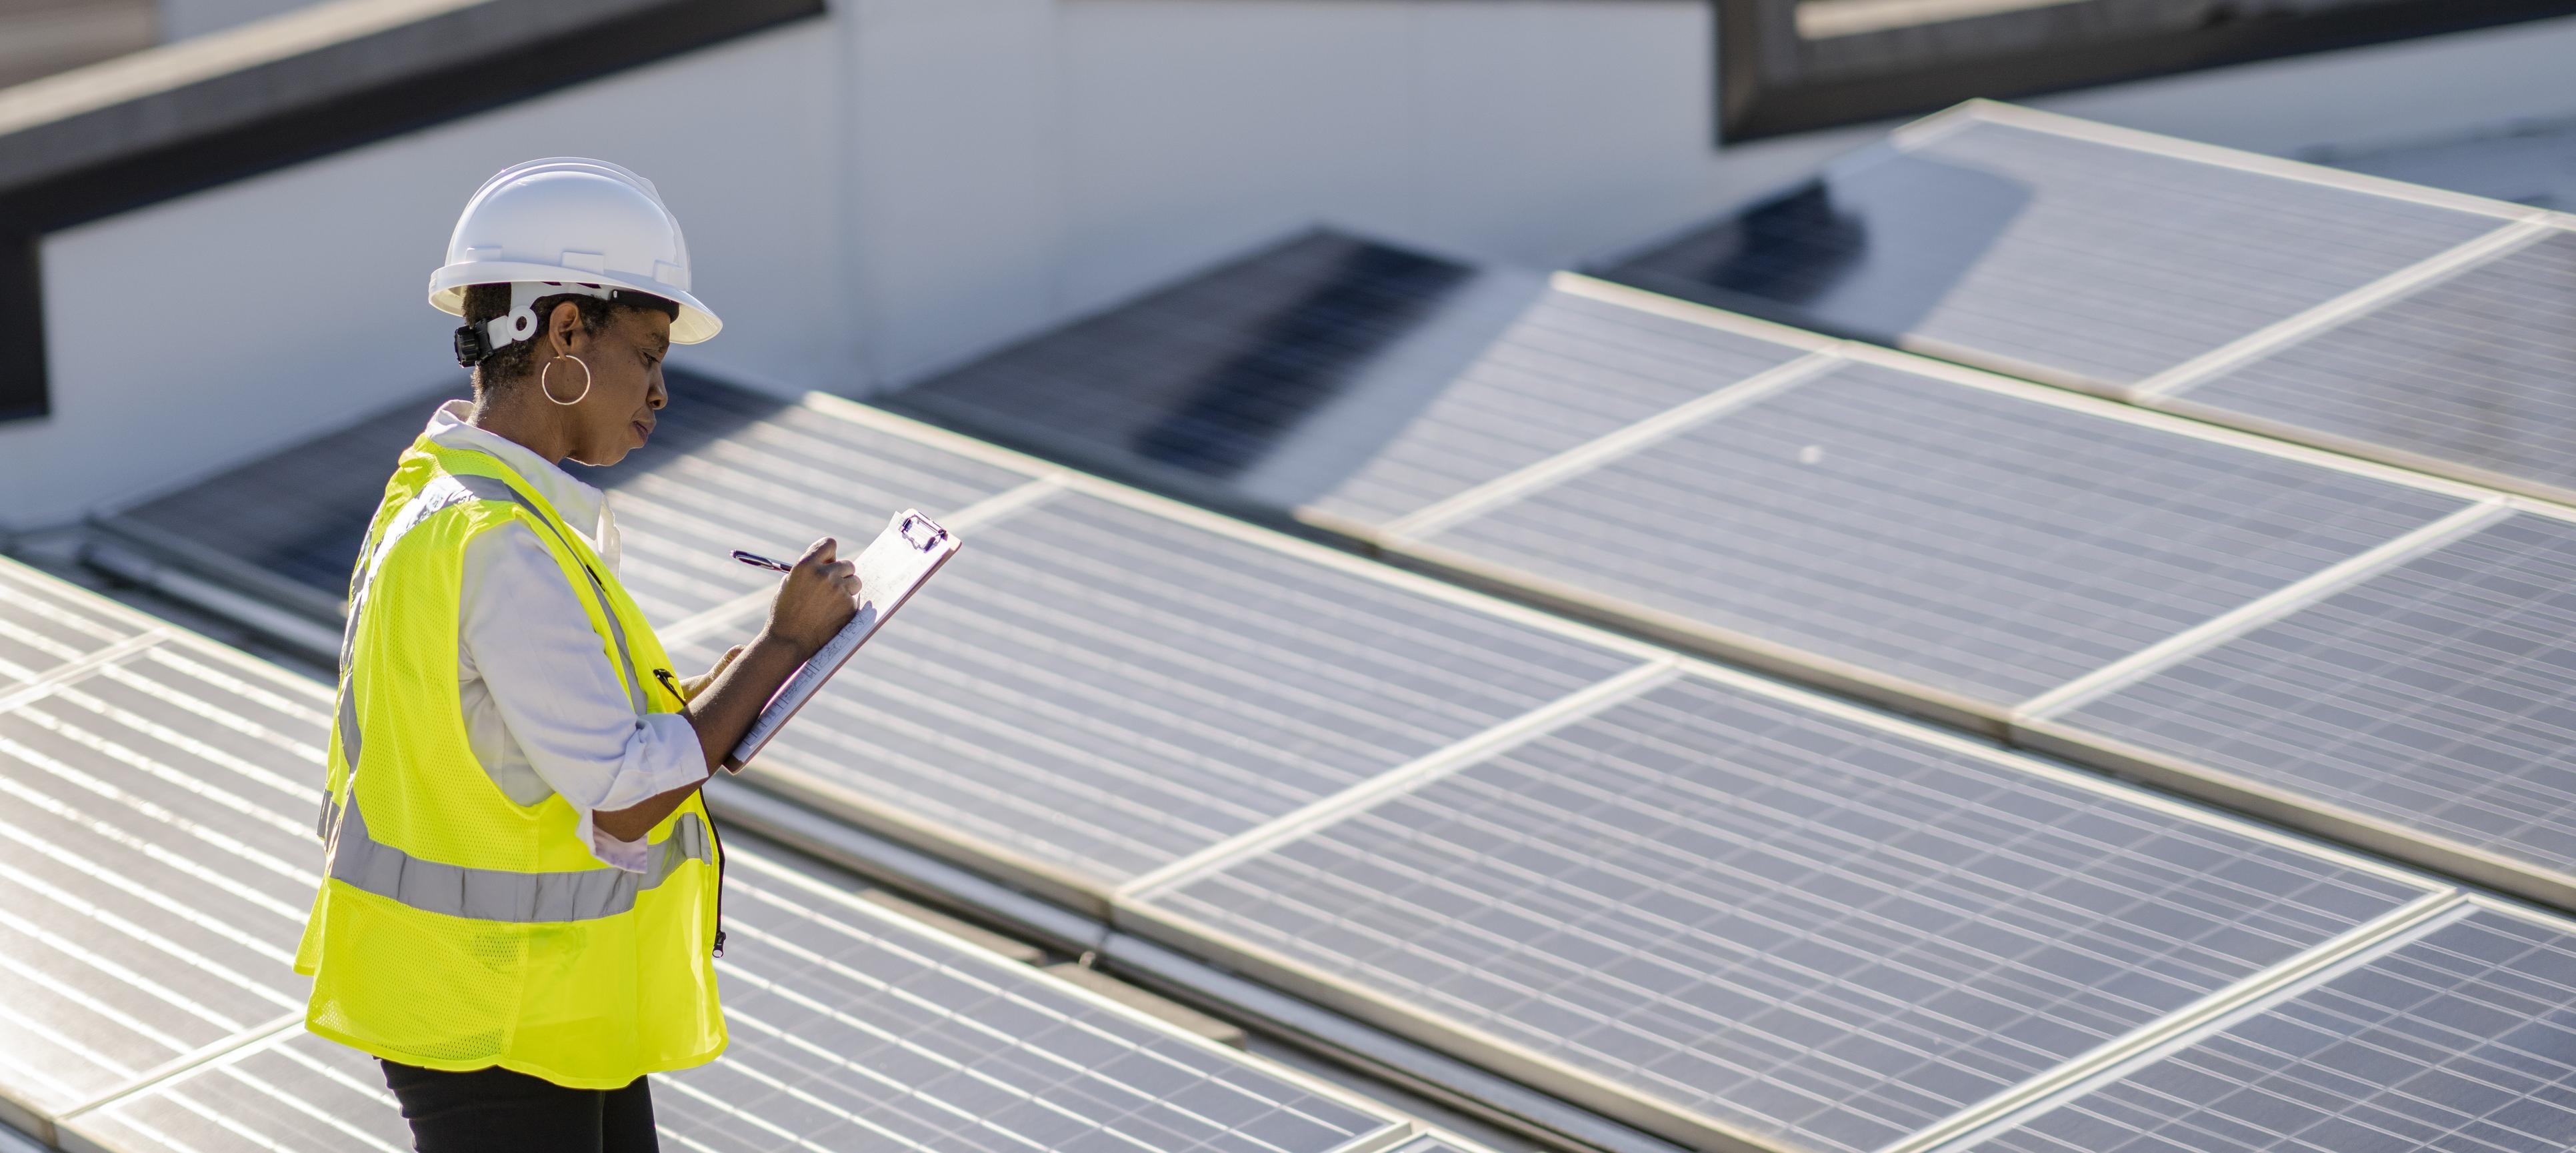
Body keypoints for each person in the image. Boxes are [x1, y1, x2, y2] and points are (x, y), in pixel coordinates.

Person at [292, 157, 859, 1152]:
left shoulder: (447, 503)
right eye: (647, 352)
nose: (661, 390)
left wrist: (718, 692)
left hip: (515, 996)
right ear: (563, 332)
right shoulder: (501, 544)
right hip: (497, 1009)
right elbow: (622, 792)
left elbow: (524, 745)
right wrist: (780, 647)